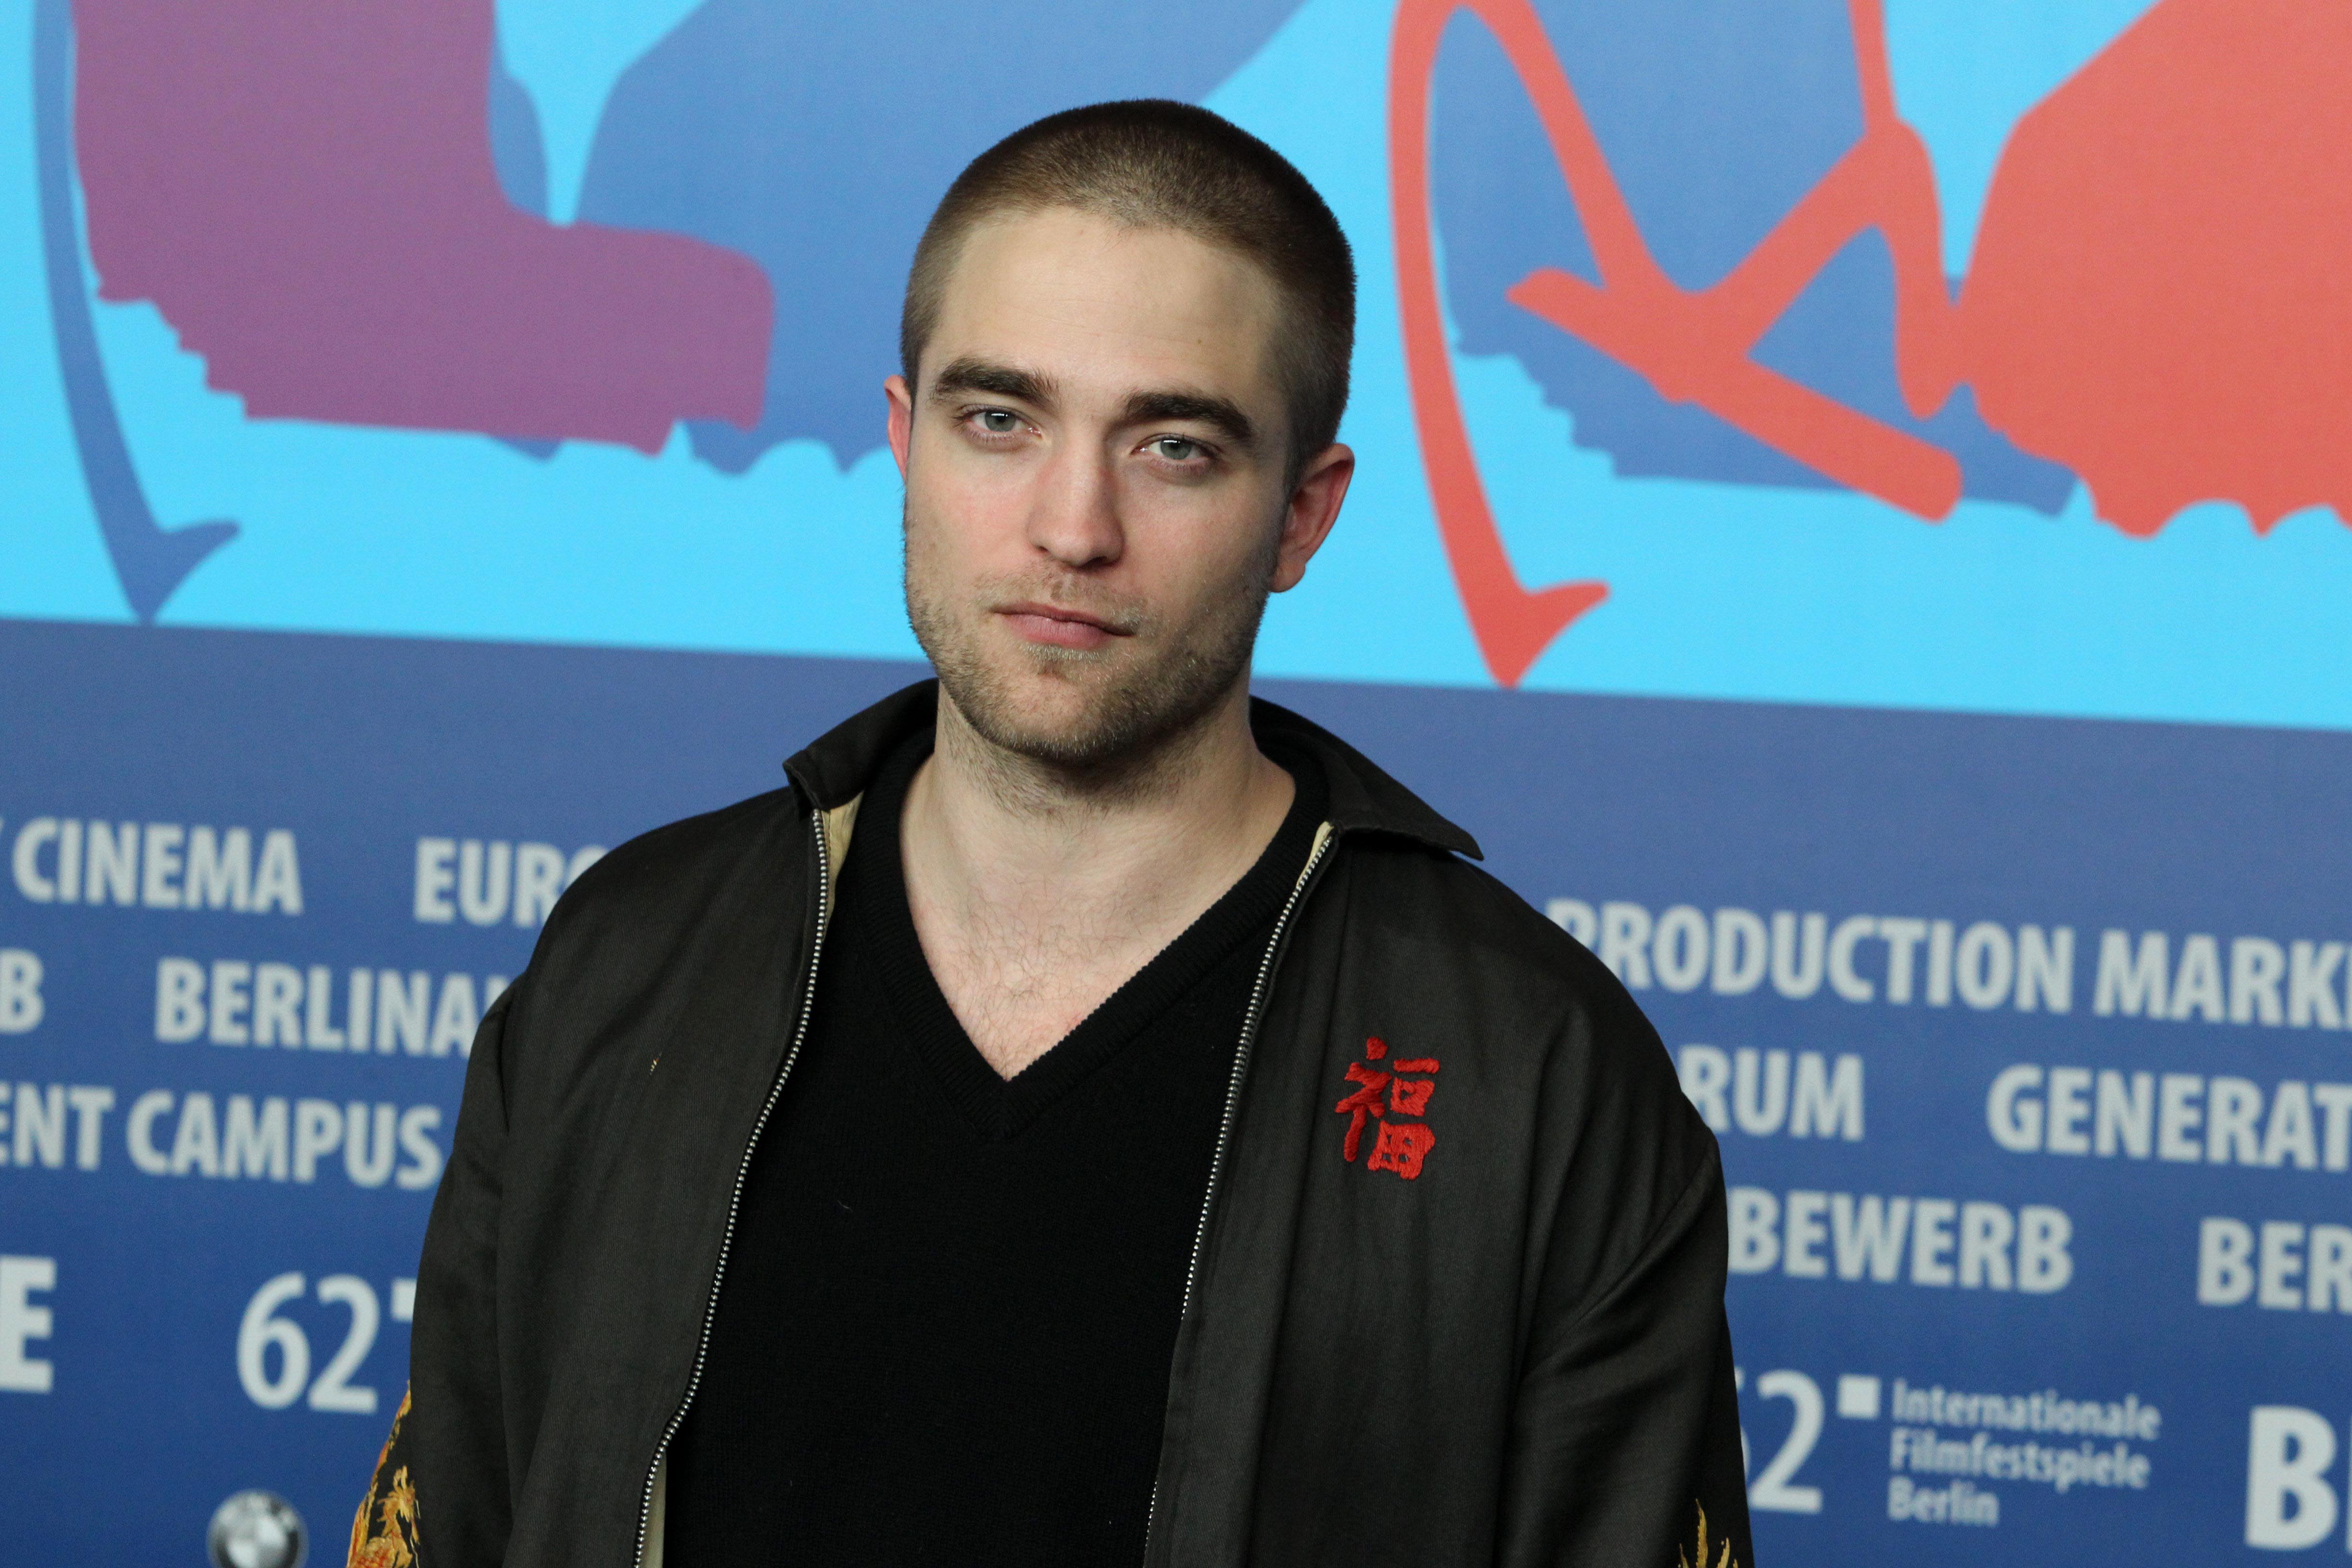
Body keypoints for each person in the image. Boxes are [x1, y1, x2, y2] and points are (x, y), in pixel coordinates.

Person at [350, 99, 1752, 1568]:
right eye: (1000, 421)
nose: (1073, 526)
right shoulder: (626, 963)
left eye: (1174, 446)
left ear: (1303, 514)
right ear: (905, 441)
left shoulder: (1535, 1077)